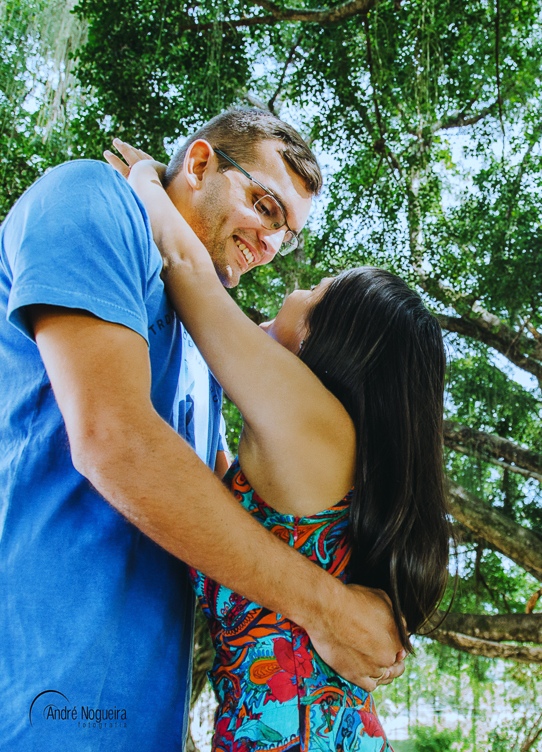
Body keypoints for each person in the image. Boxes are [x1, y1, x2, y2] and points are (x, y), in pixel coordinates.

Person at [0, 109, 406, 752]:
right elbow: (114, 440)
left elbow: (231, 517)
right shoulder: (93, 200)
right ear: (199, 164)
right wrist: (329, 608)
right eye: (264, 205)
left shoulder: (207, 357)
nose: (269, 241)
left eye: (285, 233)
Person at [105, 141, 450, 751]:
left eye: (313, 291)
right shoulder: (298, 464)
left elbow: (188, 273)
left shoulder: (317, 422)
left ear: (333, 340)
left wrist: (146, 182)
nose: (292, 291)